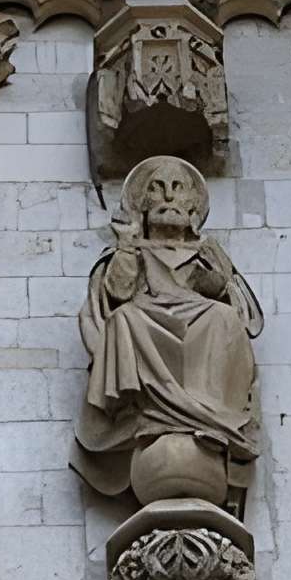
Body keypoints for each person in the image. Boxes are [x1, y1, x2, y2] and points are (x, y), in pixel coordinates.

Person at [74, 155, 262, 503]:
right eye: (158, 189)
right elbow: (118, 291)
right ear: (143, 205)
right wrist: (127, 246)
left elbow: (234, 301)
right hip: (148, 314)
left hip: (198, 314)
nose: (169, 198)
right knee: (124, 318)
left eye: (178, 189)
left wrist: (214, 281)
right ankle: (149, 407)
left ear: (192, 206)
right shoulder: (133, 246)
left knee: (222, 318)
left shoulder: (207, 249)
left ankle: (205, 407)